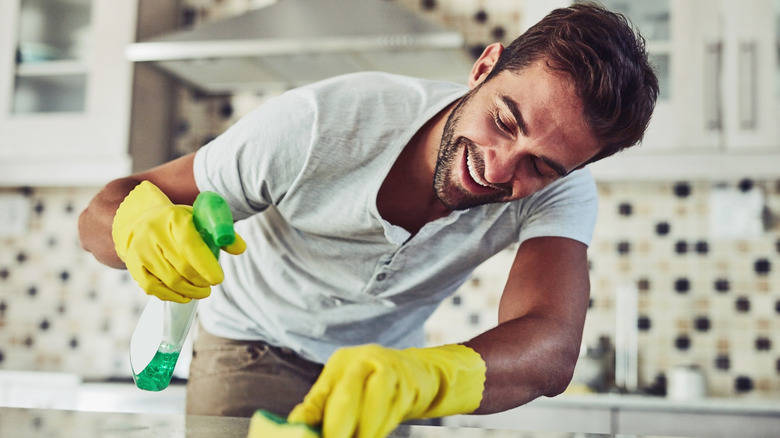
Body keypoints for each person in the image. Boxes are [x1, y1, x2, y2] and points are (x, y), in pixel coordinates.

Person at [79, 3, 657, 438]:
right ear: (484, 68)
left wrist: (421, 380)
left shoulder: (563, 192)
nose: (500, 166)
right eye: (504, 121)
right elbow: (101, 214)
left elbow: (550, 347)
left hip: (385, 374)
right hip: (251, 344)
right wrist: (134, 228)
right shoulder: (317, 123)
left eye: (541, 165)